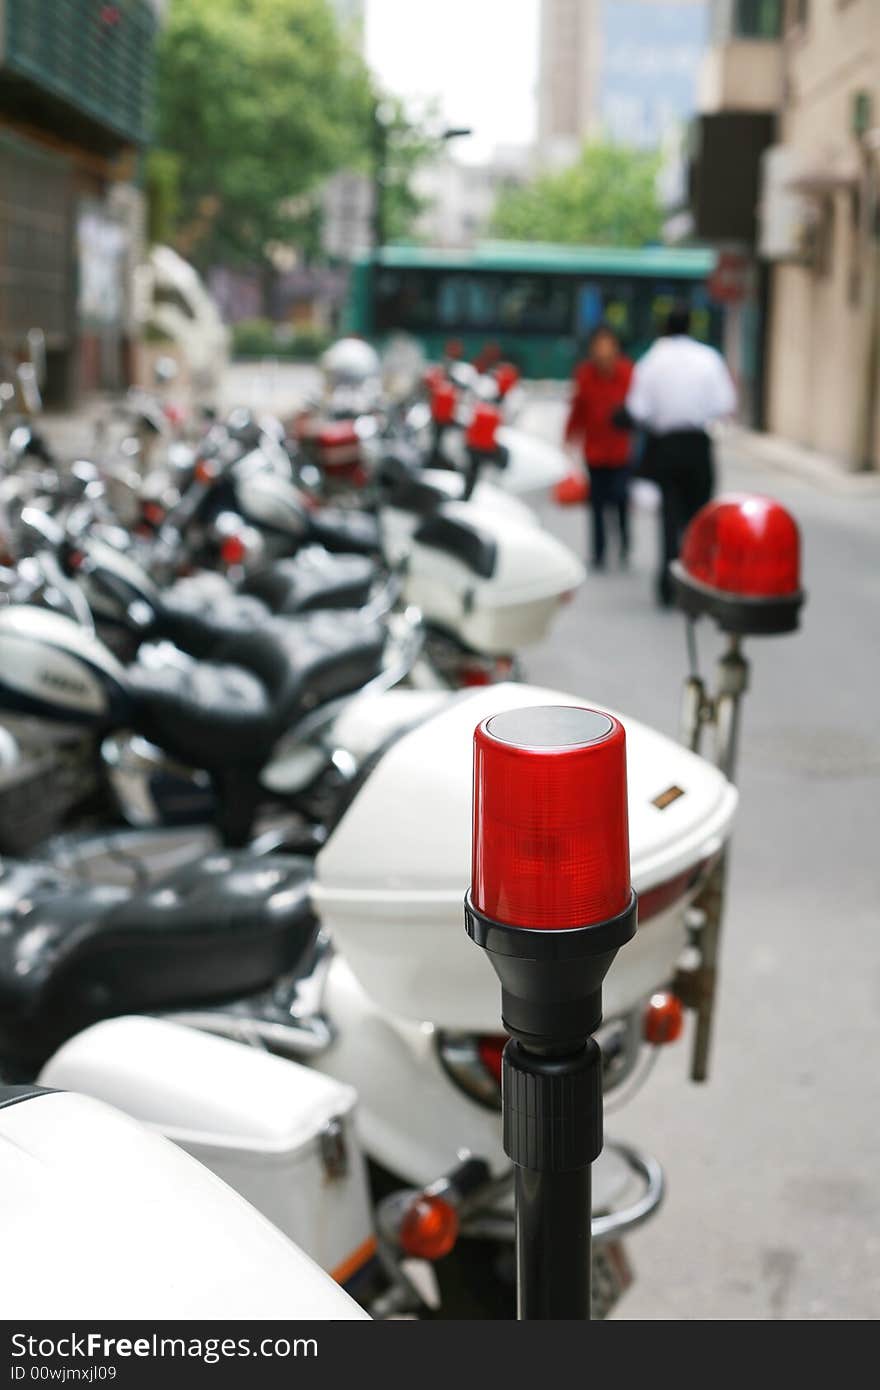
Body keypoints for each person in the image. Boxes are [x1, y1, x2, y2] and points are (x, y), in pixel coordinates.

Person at [625, 306, 736, 606]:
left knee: (669, 519)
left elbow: (638, 409)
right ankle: (698, 583)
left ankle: (668, 583)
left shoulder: (652, 360)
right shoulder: (708, 359)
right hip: (698, 446)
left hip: (665, 447)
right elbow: (725, 403)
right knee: (698, 520)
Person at [564, 325, 634, 570]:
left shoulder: (627, 372)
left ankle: (625, 542)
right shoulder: (585, 374)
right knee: (596, 502)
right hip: (594, 449)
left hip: (621, 449)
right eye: (599, 345)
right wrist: (569, 437)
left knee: (620, 498)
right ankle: (599, 551)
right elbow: (578, 409)